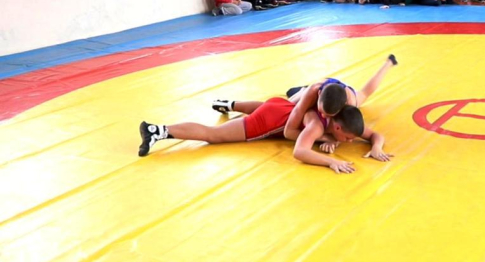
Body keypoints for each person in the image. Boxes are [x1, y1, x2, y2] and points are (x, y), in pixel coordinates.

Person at [138, 98, 391, 173]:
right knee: (214, 135)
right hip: (269, 121)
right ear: (336, 127)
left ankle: (230, 104)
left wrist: (376, 147)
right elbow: (300, 151)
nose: (350, 142)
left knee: (263, 109)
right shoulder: (315, 125)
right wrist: (330, 161)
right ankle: (157, 131)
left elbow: (373, 135)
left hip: (280, 106)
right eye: (347, 138)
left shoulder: (342, 114)